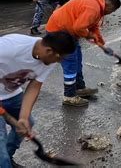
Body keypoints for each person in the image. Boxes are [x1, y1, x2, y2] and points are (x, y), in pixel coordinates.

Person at [0, 32, 76, 167]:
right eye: (59, 59)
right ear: (49, 51)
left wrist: (23, 117)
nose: (58, 62)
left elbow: (34, 87)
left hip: (11, 94)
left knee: (27, 123)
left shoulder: (49, 58)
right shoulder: (9, 48)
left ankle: (7, 156)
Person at [46, 0, 121, 106]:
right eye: (112, 11)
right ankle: (69, 96)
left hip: (69, 33)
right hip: (58, 32)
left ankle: (79, 88)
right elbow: (79, 28)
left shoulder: (97, 8)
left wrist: (101, 43)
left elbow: (93, 27)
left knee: (77, 60)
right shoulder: (93, 8)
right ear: (110, 7)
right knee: (70, 63)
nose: (110, 13)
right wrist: (88, 35)